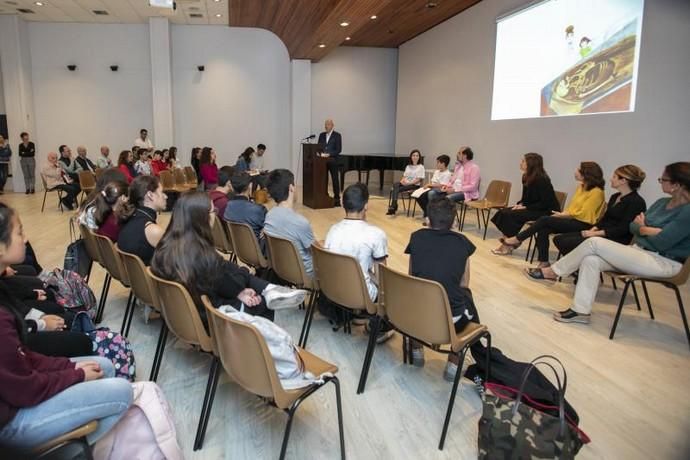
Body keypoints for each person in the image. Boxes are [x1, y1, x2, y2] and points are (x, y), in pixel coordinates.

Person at [0, 203, 133, 452]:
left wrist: (68, 367)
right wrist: (75, 375)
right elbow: (24, 388)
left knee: (103, 365)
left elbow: (23, 358)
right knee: (122, 392)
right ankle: (71, 453)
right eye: (19, 232)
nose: (25, 238)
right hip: (11, 423)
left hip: (16, 394)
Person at [526, 162, 690, 325]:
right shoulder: (661, 203)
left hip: (665, 262)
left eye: (664, 179)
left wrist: (644, 228)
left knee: (594, 242)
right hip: (640, 251)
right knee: (591, 260)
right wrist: (648, 230)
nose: (660, 181)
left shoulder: (687, 211)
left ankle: (553, 272)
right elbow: (633, 226)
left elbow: (663, 242)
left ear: (677, 184)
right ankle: (580, 311)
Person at [151, 192, 308, 327]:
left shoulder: (165, 246)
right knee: (258, 300)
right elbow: (232, 283)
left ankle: (270, 289)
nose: (215, 215)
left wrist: (239, 288)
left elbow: (221, 275)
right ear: (202, 218)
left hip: (182, 314)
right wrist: (241, 289)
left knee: (230, 268)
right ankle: (269, 293)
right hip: (209, 317)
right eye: (214, 211)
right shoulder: (204, 256)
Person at [405, 197, 480, 381]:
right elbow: (464, 284)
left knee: (417, 296)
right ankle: (453, 365)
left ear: (428, 220)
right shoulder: (463, 243)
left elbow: (412, 276)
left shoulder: (416, 237)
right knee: (466, 298)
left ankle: (417, 351)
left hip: (415, 317)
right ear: (454, 222)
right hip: (450, 322)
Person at [502, 161, 606, 267]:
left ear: (586, 174)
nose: (575, 171)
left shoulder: (597, 192)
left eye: (578, 170)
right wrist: (563, 214)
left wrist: (563, 216)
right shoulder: (581, 187)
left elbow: (585, 215)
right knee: (543, 228)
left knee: (544, 220)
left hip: (583, 224)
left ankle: (518, 239)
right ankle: (544, 262)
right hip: (571, 219)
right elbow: (572, 208)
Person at [325, 183, 394, 343]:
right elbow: (382, 275)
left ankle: (357, 314)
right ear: (366, 206)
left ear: (343, 204)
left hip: (334, 290)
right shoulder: (376, 234)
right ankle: (377, 326)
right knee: (392, 286)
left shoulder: (333, 230)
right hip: (361, 294)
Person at [553, 165, 647, 256]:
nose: (611, 179)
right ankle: (576, 266)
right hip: (601, 233)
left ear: (623, 181)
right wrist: (594, 228)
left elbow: (623, 229)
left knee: (567, 242)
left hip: (616, 239)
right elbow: (605, 218)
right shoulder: (614, 197)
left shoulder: (636, 202)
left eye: (614, 177)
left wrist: (595, 233)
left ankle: (575, 266)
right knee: (558, 239)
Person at [491, 153, 560, 255]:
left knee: (512, 215)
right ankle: (510, 243)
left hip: (546, 211)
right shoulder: (526, 176)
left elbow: (546, 203)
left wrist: (525, 206)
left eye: (523, 161)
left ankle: (507, 245)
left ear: (531, 163)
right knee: (504, 212)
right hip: (534, 207)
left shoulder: (542, 179)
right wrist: (520, 204)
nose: (521, 163)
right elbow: (526, 197)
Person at [264, 169, 315, 277]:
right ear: (291, 188)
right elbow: (316, 252)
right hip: (305, 274)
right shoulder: (300, 222)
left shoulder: (269, 216)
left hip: (280, 270)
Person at [117, 175, 167, 266]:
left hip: (136, 278)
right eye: (162, 192)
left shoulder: (129, 217)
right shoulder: (152, 230)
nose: (166, 196)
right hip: (152, 278)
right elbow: (177, 260)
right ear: (150, 195)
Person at [224, 173, 267, 253]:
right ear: (250, 186)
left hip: (237, 249)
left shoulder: (227, 206)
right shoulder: (258, 209)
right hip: (257, 253)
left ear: (232, 188)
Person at [386, 149, 425, 215]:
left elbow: (419, 180)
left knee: (396, 189)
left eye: (417, 156)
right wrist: (402, 181)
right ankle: (394, 205)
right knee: (396, 184)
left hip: (414, 185)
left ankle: (393, 206)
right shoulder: (408, 166)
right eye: (413, 155)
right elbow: (404, 176)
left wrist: (408, 183)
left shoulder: (421, 167)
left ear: (419, 157)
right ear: (411, 157)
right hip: (405, 183)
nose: (415, 157)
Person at [415, 154, 452, 220]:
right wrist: (429, 185)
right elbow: (433, 182)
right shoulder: (437, 171)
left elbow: (442, 185)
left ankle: (430, 216)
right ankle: (427, 212)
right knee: (418, 195)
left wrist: (430, 185)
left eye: (438, 162)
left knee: (430, 194)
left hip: (440, 191)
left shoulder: (447, 173)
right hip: (432, 188)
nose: (436, 164)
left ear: (443, 163)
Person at [318, 119, 343, 207]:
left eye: (328, 124)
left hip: (333, 161)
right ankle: (325, 197)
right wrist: (320, 153)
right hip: (322, 162)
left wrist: (329, 154)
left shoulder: (337, 135)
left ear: (332, 125)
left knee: (335, 180)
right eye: (325, 124)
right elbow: (319, 147)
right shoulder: (321, 135)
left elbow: (339, 150)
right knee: (323, 180)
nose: (326, 126)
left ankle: (337, 199)